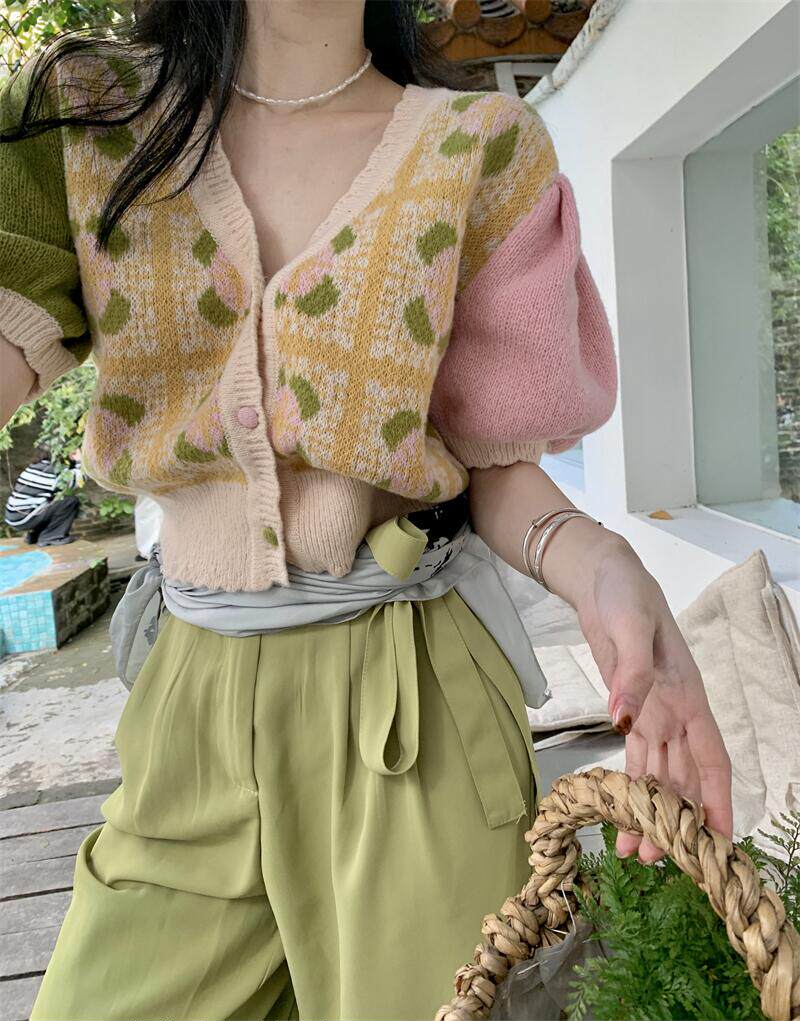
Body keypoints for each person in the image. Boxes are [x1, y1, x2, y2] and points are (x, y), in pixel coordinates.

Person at [0, 3, 732, 1019]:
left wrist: (604, 563)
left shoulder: (477, 148)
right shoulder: (87, 119)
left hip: (417, 710)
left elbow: (493, 465)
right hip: (188, 712)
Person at [4, 449, 82, 546]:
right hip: (23, 518)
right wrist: (80, 461)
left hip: (15, 517)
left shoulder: (37, 466)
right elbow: (78, 480)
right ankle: (51, 537)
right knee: (69, 502)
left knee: (51, 502)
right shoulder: (52, 470)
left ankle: (35, 536)